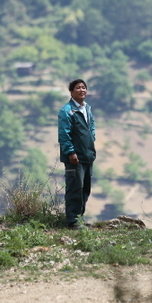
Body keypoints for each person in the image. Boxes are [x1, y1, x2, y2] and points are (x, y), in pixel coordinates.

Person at [58, 78, 96, 229]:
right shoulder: (67, 111)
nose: (82, 90)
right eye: (78, 88)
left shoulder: (87, 108)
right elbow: (63, 134)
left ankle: (80, 218)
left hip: (87, 155)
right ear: (71, 92)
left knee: (85, 189)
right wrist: (70, 152)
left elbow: (91, 128)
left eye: (84, 87)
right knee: (75, 188)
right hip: (75, 157)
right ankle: (73, 221)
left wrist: (91, 140)